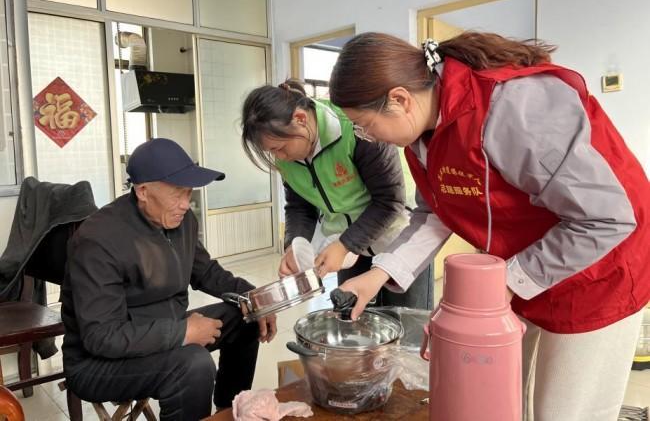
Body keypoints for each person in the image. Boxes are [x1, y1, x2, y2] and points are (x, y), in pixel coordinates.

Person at [327, 31, 650, 421]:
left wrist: (504, 284)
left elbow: (605, 217)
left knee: (566, 411)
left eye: (365, 125)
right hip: (527, 264)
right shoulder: (421, 137)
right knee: (512, 400)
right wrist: (377, 274)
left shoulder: (513, 108)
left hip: (599, 272)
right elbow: (435, 213)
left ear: (399, 99)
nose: (368, 137)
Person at [61, 138, 277, 421]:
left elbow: (206, 272)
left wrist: (254, 296)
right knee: (194, 364)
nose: (186, 204)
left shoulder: (181, 221)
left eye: (189, 193)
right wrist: (182, 333)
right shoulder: (97, 240)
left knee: (245, 315)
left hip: (162, 331)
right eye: (177, 194)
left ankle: (228, 413)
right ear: (142, 191)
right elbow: (103, 337)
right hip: (98, 363)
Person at [241, 80, 432, 309]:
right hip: (345, 247)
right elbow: (299, 206)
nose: (280, 158)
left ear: (300, 119)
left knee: (406, 317)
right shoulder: (287, 159)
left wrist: (345, 245)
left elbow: (389, 201)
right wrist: (294, 244)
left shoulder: (354, 127)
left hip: (398, 237)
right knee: (354, 317)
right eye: (272, 152)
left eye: (279, 148)